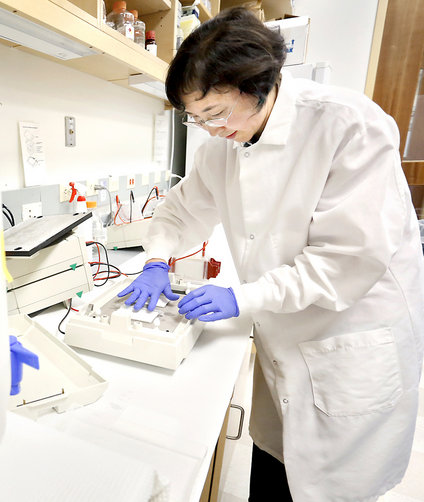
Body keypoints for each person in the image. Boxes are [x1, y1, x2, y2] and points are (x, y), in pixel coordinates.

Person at [117, 7, 424, 501]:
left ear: (261, 84)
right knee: (276, 464)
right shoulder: (222, 147)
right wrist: (156, 260)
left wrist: (243, 297)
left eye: (216, 114)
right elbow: (179, 212)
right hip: (284, 338)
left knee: (335, 486)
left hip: (349, 334)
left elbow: (345, 262)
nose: (210, 129)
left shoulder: (348, 126)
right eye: (196, 119)